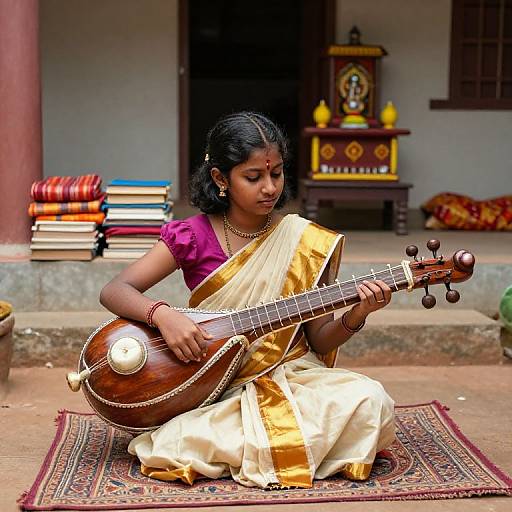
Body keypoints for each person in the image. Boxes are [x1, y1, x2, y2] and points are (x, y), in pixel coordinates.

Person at [99, 112, 395, 489]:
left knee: (372, 402)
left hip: (293, 376)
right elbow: (115, 290)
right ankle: (280, 446)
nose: (270, 188)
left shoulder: (303, 243)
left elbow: (319, 339)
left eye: (277, 173)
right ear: (221, 179)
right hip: (214, 384)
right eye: (253, 177)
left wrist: (357, 314)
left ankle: (250, 448)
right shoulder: (192, 236)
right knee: (176, 443)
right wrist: (163, 315)